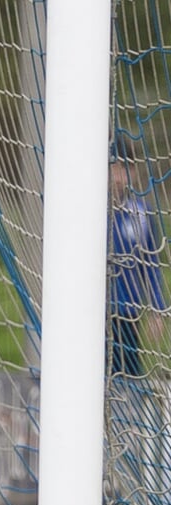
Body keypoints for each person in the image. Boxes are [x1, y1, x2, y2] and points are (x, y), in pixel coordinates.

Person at [108, 145, 166, 379]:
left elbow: (151, 262)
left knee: (127, 376)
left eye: (127, 168)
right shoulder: (91, 212)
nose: (121, 175)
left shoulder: (142, 213)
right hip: (95, 312)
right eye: (116, 167)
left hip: (128, 314)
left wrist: (157, 309)